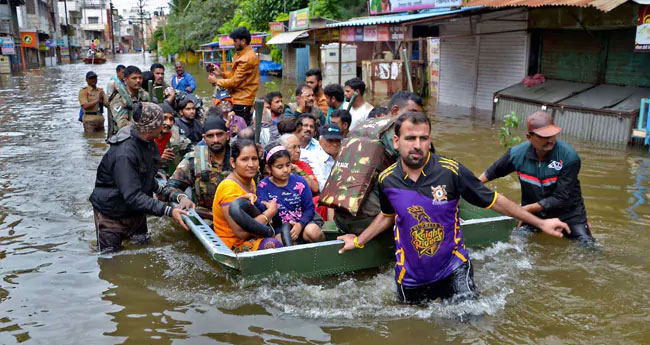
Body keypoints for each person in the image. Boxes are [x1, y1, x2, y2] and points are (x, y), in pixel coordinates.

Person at [337, 112, 569, 305]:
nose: (417, 145)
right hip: (410, 276)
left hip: (453, 268)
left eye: (423, 138)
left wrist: (540, 222)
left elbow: (494, 200)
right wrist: (358, 241)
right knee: (414, 330)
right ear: (396, 142)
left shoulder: (451, 171)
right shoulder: (387, 180)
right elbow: (387, 216)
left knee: (470, 321)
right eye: (410, 138)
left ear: (430, 140)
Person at [89, 103, 193, 252]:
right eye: (162, 120)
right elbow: (132, 196)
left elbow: (151, 182)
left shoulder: (148, 143)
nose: (166, 124)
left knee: (143, 252)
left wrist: (179, 197)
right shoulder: (124, 154)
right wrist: (169, 211)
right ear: (152, 126)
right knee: (110, 261)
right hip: (111, 215)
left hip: (136, 213)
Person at [479, 111, 594, 244]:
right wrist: (470, 187)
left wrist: (522, 210)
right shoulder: (517, 154)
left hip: (569, 215)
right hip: (533, 216)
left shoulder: (569, 157)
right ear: (529, 137)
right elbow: (491, 173)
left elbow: (561, 197)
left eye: (552, 135)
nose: (550, 140)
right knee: (512, 245)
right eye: (543, 137)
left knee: (588, 248)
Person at [212, 140, 283, 252]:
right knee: (273, 244)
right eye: (244, 159)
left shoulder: (250, 182)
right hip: (233, 246)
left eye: (254, 159)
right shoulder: (229, 188)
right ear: (233, 162)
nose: (251, 165)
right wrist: (269, 213)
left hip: (255, 236)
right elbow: (241, 233)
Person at [162, 116, 231, 221]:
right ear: (204, 138)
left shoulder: (240, 156)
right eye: (210, 136)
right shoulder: (194, 158)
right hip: (207, 217)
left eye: (220, 134)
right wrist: (182, 197)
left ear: (227, 135)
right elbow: (169, 187)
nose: (216, 140)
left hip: (236, 214)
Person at [256, 146, 325, 244]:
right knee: (280, 240)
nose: (285, 170)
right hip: (280, 227)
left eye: (288, 165)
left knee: (312, 232)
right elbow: (261, 208)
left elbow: (309, 209)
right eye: (279, 167)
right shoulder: (263, 186)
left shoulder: (300, 182)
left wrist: (300, 225)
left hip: (304, 222)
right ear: (269, 168)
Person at [212, 27, 260, 126]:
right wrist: (221, 74)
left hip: (242, 101)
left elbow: (234, 82)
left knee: (239, 130)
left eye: (235, 41)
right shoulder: (241, 55)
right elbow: (235, 76)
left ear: (243, 41)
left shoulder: (246, 58)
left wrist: (216, 81)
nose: (233, 43)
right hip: (238, 99)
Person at [108, 65, 150, 138]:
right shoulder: (119, 97)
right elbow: (122, 124)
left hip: (141, 135)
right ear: (126, 79)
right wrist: (144, 126)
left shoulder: (144, 95)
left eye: (140, 78)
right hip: (122, 138)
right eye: (134, 78)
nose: (138, 80)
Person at [155, 103, 192, 177]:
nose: (168, 123)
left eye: (171, 119)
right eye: (164, 118)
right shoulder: (147, 138)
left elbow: (194, 153)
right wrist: (159, 159)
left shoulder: (178, 139)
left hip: (174, 177)